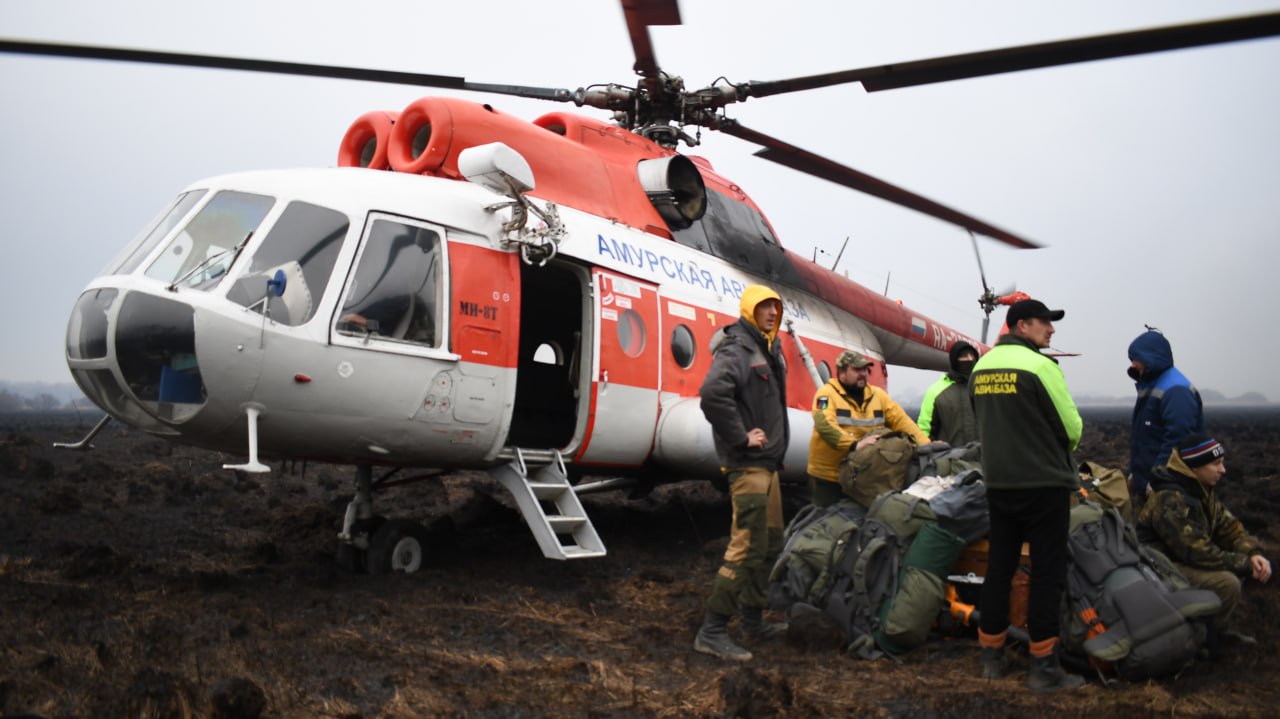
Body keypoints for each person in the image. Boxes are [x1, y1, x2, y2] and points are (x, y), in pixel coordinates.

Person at [969, 299, 1085, 692]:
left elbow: (979, 419)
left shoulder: (981, 366)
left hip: (999, 484)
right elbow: (1072, 430)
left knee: (999, 570)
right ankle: (1043, 667)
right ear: (1021, 326)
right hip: (1043, 485)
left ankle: (991, 658)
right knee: (1046, 573)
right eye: (1045, 324)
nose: (1051, 331)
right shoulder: (1041, 367)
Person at [694, 285, 790, 661]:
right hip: (748, 466)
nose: (771, 313)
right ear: (750, 310)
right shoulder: (738, 347)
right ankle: (712, 631)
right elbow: (712, 393)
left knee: (769, 543)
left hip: (769, 467)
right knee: (745, 546)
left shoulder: (769, 347)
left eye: (775, 307)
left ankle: (752, 622)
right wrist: (740, 436)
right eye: (765, 307)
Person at [1136, 434, 1271, 649]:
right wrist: (1244, 564)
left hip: (1178, 563)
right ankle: (1201, 641)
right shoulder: (1170, 498)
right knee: (1227, 583)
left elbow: (1229, 527)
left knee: (1238, 567)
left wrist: (1252, 553)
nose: (1223, 470)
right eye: (1216, 464)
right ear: (1195, 466)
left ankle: (1214, 632)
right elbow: (1196, 551)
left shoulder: (1200, 491)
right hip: (1159, 570)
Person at [806, 350, 929, 508]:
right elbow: (823, 422)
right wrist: (854, 445)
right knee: (825, 521)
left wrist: (926, 445)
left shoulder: (878, 396)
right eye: (857, 370)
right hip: (830, 477)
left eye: (865, 370)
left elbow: (902, 421)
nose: (863, 374)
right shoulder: (825, 395)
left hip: (862, 475)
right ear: (842, 372)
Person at [1128, 328, 1204, 501]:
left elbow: (1178, 440)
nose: (1133, 364)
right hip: (1148, 483)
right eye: (1131, 359)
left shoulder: (1175, 390)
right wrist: (1134, 473)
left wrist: (1158, 479)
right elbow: (1142, 440)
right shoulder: (1150, 386)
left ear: (1151, 357)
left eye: (1136, 359)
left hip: (1170, 490)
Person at [917, 340, 980, 447]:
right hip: (949, 460)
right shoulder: (936, 391)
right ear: (954, 360)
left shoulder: (982, 386)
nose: (969, 359)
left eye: (972, 356)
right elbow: (924, 429)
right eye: (964, 356)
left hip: (983, 460)